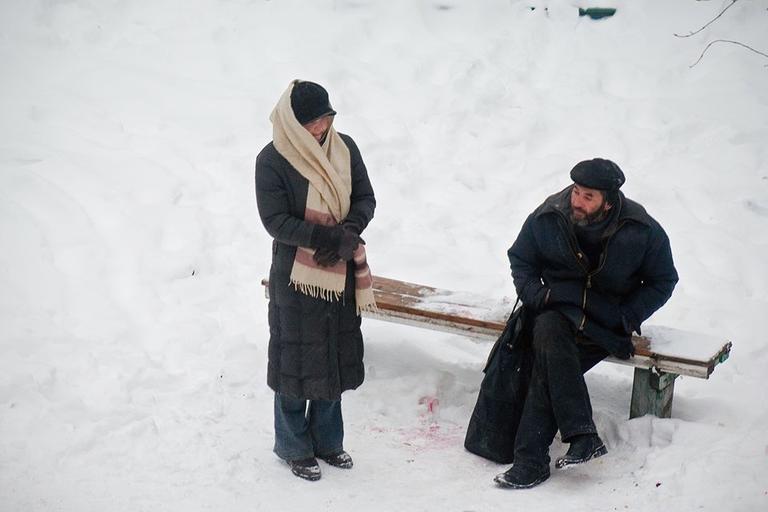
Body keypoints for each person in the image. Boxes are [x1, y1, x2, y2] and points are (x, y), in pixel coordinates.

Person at [494, 158, 678, 489]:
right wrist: (537, 296)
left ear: (609, 200)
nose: (577, 200)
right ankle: (570, 440)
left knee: (550, 367)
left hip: (604, 326)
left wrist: (628, 315)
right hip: (554, 312)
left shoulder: (640, 229)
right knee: (550, 335)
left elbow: (664, 279)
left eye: (588, 196)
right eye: (577, 192)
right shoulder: (550, 215)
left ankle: (536, 461)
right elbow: (520, 257)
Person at [255, 80, 376, 481]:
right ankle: (292, 446)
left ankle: (328, 441)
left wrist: (347, 234)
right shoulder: (272, 160)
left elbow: (364, 199)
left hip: (338, 268)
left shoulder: (345, 149)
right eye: (312, 123)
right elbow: (276, 221)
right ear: (292, 123)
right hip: (295, 276)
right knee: (295, 360)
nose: (320, 130)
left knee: (332, 357)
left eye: (325, 120)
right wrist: (323, 237)